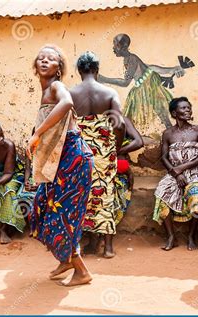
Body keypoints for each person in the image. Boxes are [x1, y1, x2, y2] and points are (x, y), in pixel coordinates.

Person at [28, 45, 93, 286]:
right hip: (60, 162)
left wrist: (37, 134)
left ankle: (82, 271)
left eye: (51, 59)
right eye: (41, 57)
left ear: (59, 69)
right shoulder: (45, 90)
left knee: (62, 215)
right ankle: (66, 259)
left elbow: (67, 103)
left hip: (74, 159)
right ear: (35, 65)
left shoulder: (56, 87)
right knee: (42, 207)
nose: (45, 61)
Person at [70, 51, 125, 259]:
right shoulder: (110, 93)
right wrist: (115, 148)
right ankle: (108, 247)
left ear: (78, 70)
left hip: (79, 152)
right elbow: (118, 125)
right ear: (97, 70)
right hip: (104, 153)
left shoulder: (70, 94)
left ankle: (84, 244)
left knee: (81, 195)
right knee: (106, 193)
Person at [153, 97, 198, 251]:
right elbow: (164, 157)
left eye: (189, 108)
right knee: (161, 195)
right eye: (183, 108)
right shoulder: (168, 133)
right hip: (174, 172)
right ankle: (171, 236)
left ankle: (192, 235)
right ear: (174, 113)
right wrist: (176, 174)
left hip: (195, 171)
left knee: (196, 195)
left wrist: (182, 169)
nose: (187, 110)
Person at [98, 34, 184, 132]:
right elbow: (147, 67)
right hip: (143, 86)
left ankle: (174, 134)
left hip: (148, 86)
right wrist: (171, 70)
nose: (114, 48)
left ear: (125, 47)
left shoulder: (132, 59)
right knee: (156, 113)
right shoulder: (128, 59)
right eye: (114, 45)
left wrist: (104, 79)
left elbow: (125, 83)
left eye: (116, 45)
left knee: (160, 112)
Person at [114, 116, 144, 225]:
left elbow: (139, 142)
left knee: (116, 189)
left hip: (118, 167)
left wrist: (114, 154)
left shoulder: (122, 120)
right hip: (101, 166)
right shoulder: (90, 120)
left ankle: (105, 233)